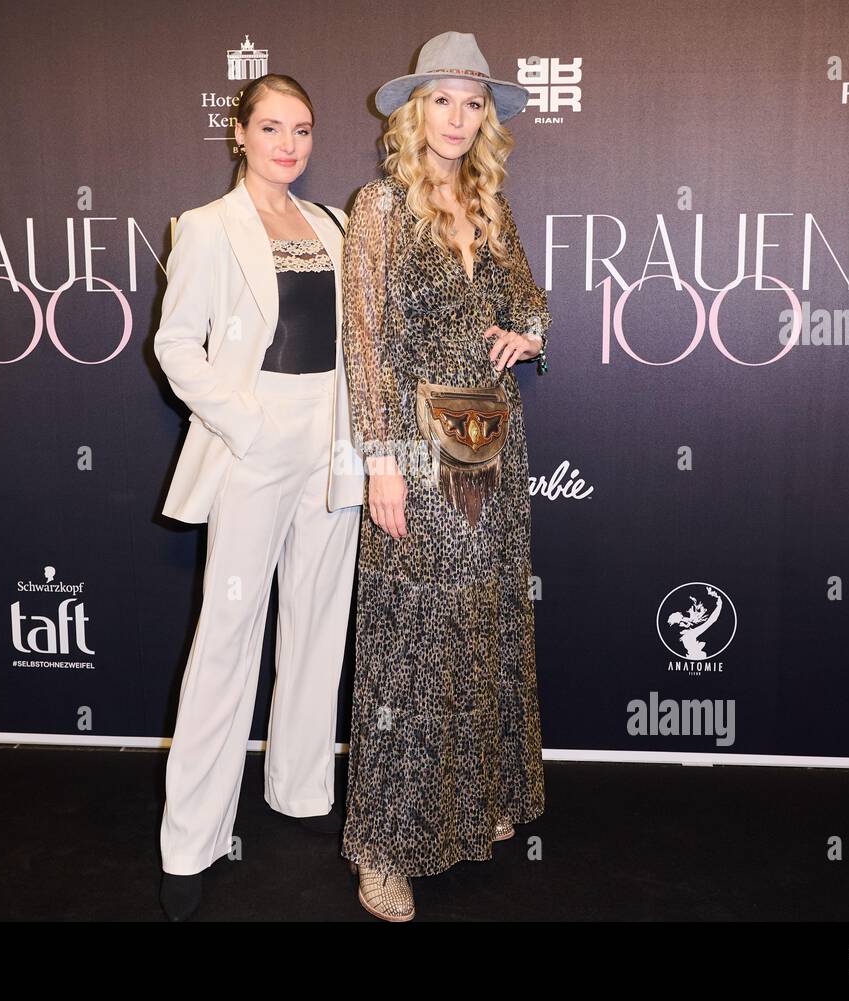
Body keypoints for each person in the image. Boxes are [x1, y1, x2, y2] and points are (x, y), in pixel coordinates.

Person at [339, 31, 552, 922]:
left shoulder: (492, 206)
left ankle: (471, 806)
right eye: (443, 99)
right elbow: (367, 346)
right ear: (413, 109)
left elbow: (527, 300)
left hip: (492, 441)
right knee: (407, 645)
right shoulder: (380, 206)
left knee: (482, 624)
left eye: (474, 102)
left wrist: (530, 332)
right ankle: (383, 849)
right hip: (419, 449)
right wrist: (383, 459)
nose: (458, 118)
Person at [152, 74, 364, 921]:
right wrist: (244, 422)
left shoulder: (334, 226)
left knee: (318, 622)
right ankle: (190, 838)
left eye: (302, 129)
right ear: (238, 134)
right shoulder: (205, 228)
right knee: (228, 635)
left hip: (330, 439)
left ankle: (299, 791)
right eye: (271, 127)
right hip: (255, 439)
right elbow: (175, 344)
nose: (288, 144)